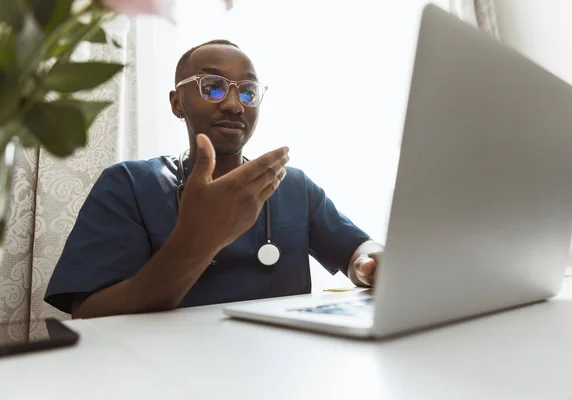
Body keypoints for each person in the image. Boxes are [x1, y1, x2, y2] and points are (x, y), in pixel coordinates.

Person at [44, 39, 384, 319]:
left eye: (248, 91)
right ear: (177, 103)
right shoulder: (130, 185)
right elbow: (89, 313)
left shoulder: (292, 186)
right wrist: (199, 240)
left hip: (282, 365)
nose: (235, 105)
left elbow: (357, 249)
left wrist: (369, 263)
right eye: (213, 87)